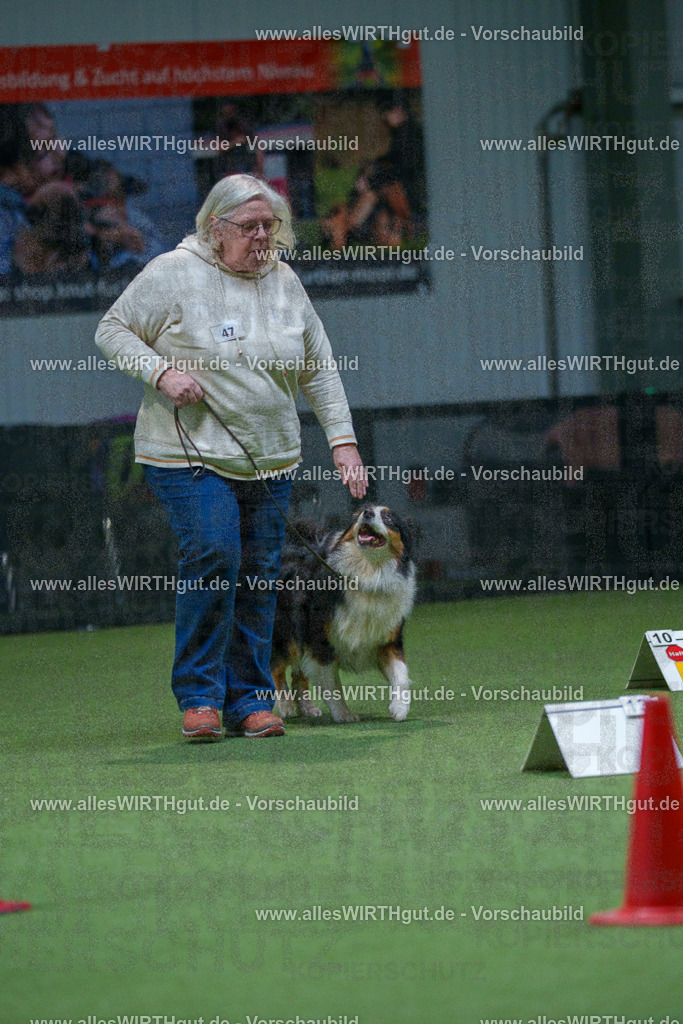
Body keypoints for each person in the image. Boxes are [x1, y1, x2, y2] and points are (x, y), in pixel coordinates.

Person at [96, 173, 367, 741]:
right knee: (216, 550)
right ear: (216, 229)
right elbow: (112, 330)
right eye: (250, 227)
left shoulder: (286, 281)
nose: (263, 236)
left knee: (259, 574)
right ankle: (198, 697)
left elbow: (318, 364)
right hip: (186, 451)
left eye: (271, 225)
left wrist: (343, 440)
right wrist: (161, 371)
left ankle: (250, 699)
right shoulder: (173, 273)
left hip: (271, 457)